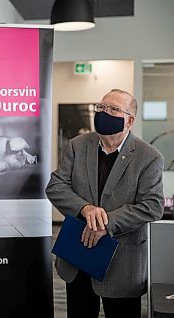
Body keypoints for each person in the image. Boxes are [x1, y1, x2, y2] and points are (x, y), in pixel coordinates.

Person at [46, 89, 164, 318]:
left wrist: (106, 222)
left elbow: (152, 205)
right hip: (78, 255)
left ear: (129, 120)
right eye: (101, 107)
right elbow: (56, 186)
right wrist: (85, 208)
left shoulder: (149, 157)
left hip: (122, 263)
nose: (103, 113)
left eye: (113, 109)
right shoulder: (77, 145)